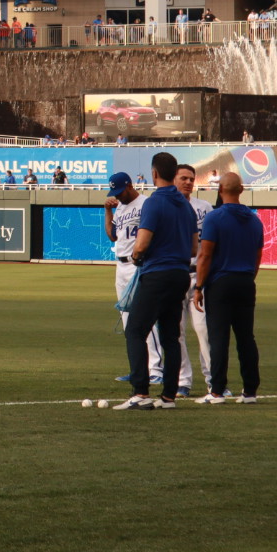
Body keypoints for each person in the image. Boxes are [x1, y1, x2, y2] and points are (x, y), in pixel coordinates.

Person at [114, 152, 196, 410]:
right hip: (181, 275)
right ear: (174, 174)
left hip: (157, 274)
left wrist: (138, 255)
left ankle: (140, 392)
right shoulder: (186, 204)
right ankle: (169, 397)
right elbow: (194, 248)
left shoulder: (152, 202)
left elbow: (142, 242)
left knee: (135, 330)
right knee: (171, 335)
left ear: (154, 174)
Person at [193, 173, 263, 404]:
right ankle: (250, 391)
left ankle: (217, 391)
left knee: (219, 337)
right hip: (245, 282)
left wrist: (199, 286)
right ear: (241, 189)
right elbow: (257, 255)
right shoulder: (255, 220)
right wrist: (249, 277)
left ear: (220, 188)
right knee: (246, 338)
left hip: (221, 283)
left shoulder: (215, 218)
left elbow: (205, 255)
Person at [106, 171, 163, 389]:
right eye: (115, 193)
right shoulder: (119, 206)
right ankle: (138, 369)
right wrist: (107, 211)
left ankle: (156, 369)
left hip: (138, 265)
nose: (117, 196)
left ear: (130, 185)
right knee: (129, 321)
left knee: (145, 319)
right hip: (120, 266)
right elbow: (112, 235)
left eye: (120, 191)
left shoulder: (146, 204)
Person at [174, 163, 213, 397]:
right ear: (174, 180)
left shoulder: (205, 207)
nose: (188, 182)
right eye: (183, 178)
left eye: (191, 178)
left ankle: (213, 380)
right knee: (176, 331)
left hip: (199, 276)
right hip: (176, 274)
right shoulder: (167, 208)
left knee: (204, 330)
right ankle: (183, 381)